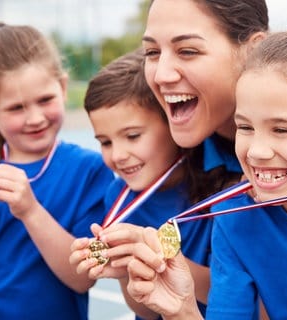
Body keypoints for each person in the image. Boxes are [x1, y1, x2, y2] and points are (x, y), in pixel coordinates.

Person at [98, 0, 268, 319]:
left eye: (187, 50)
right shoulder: (170, 160)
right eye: (151, 52)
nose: (161, 74)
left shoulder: (282, 171)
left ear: (252, 51)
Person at [126, 29, 287, 319]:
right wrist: (182, 309)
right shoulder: (234, 216)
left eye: (282, 130)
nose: (256, 151)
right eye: (245, 127)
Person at [0, 22, 114, 320]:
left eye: (45, 100)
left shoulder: (90, 170)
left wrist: (29, 210)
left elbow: (84, 277)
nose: (35, 118)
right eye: (16, 108)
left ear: (63, 87)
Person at [69, 48, 211, 319]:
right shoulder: (118, 195)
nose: (118, 155)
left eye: (132, 136)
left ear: (174, 123)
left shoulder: (220, 188)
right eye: (105, 142)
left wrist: (153, 257)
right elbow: (145, 311)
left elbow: (234, 292)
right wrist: (126, 270)